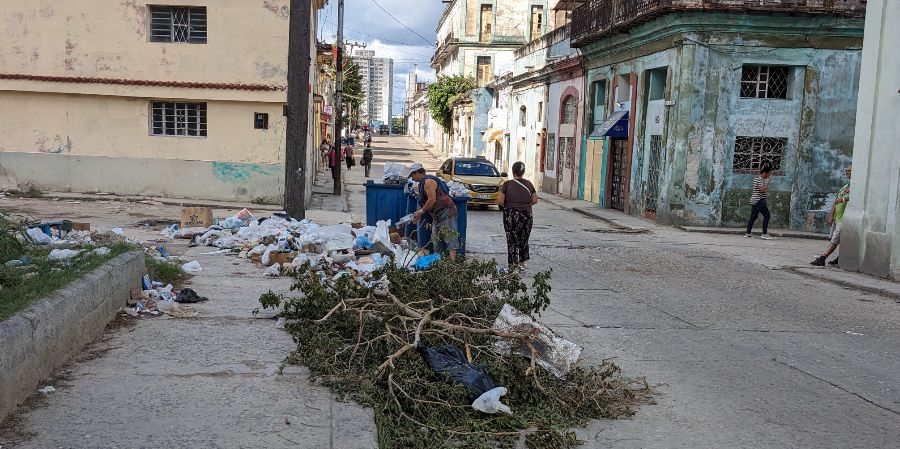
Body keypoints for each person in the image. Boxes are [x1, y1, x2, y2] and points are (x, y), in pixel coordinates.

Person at [410, 163, 459, 261]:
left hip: (446, 211)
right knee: (436, 239)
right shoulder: (422, 184)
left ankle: (453, 264)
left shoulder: (429, 182)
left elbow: (431, 200)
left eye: (412, 175)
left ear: (418, 173)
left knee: (450, 238)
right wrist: (418, 215)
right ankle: (439, 262)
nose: (412, 178)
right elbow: (424, 203)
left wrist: (421, 212)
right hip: (436, 215)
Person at [498, 162, 538, 270]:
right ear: (523, 172)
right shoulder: (529, 184)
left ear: (512, 171)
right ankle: (522, 263)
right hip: (527, 215)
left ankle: (513, 263)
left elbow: (500, 201)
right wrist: (524, 204)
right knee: (524, 238)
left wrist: (510, 204)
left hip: (511, 215)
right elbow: (534, 200)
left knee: (511, 238)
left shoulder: (507, 184)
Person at [811, 165, 852, 266]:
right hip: (838, 217)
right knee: (840, 239)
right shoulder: (845, 186)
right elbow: (836, 200)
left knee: (835, 238)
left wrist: (842, 199)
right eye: (846, 171)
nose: (847, 173)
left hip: (844, 218)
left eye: (849, 171)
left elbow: (852, 197)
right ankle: (840, 257)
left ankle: (823, 258)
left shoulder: (856, 185)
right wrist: (831, 214)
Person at [745, 165, 775, 240]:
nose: (769, 175)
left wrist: (766, 181)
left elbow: (764, 189)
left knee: (753, 217)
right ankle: (764, 234)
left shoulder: (762, 179)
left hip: (757, 200)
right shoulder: (758, 179)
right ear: (765, 173)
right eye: (769, 173)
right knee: (767, 215)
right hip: (758, 200)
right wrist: (768, 181)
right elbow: (762, 190)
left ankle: (748, 233)